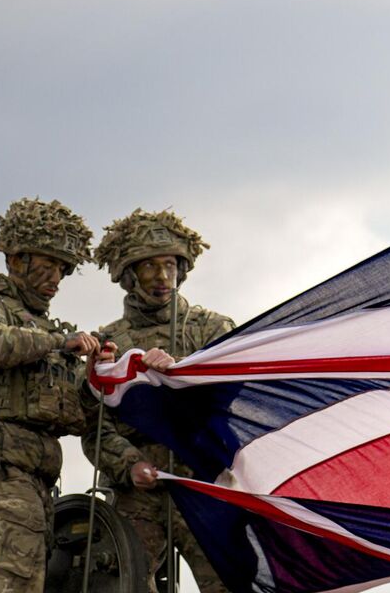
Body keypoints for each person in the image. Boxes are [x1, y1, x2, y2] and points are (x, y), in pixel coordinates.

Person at [0, 198, 105, 593]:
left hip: (34, 475)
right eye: (47, 266)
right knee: (17, 583)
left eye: (62, 270)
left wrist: (96, 374)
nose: (55, 278)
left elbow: (75, 414)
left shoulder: (45, 329)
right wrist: (59, 343)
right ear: (16, 261)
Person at [83, 209, 234, 593]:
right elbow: (93, 427)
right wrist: (129, 464)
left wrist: (182, 373)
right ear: (129, 275)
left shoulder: (213, 330)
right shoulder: (108, 344)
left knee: (230, 581)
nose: (162, 278)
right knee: (120, 583)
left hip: (204, 484)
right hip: (139, 493)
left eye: (170, 265)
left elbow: (238, 401)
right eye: (150, 267)